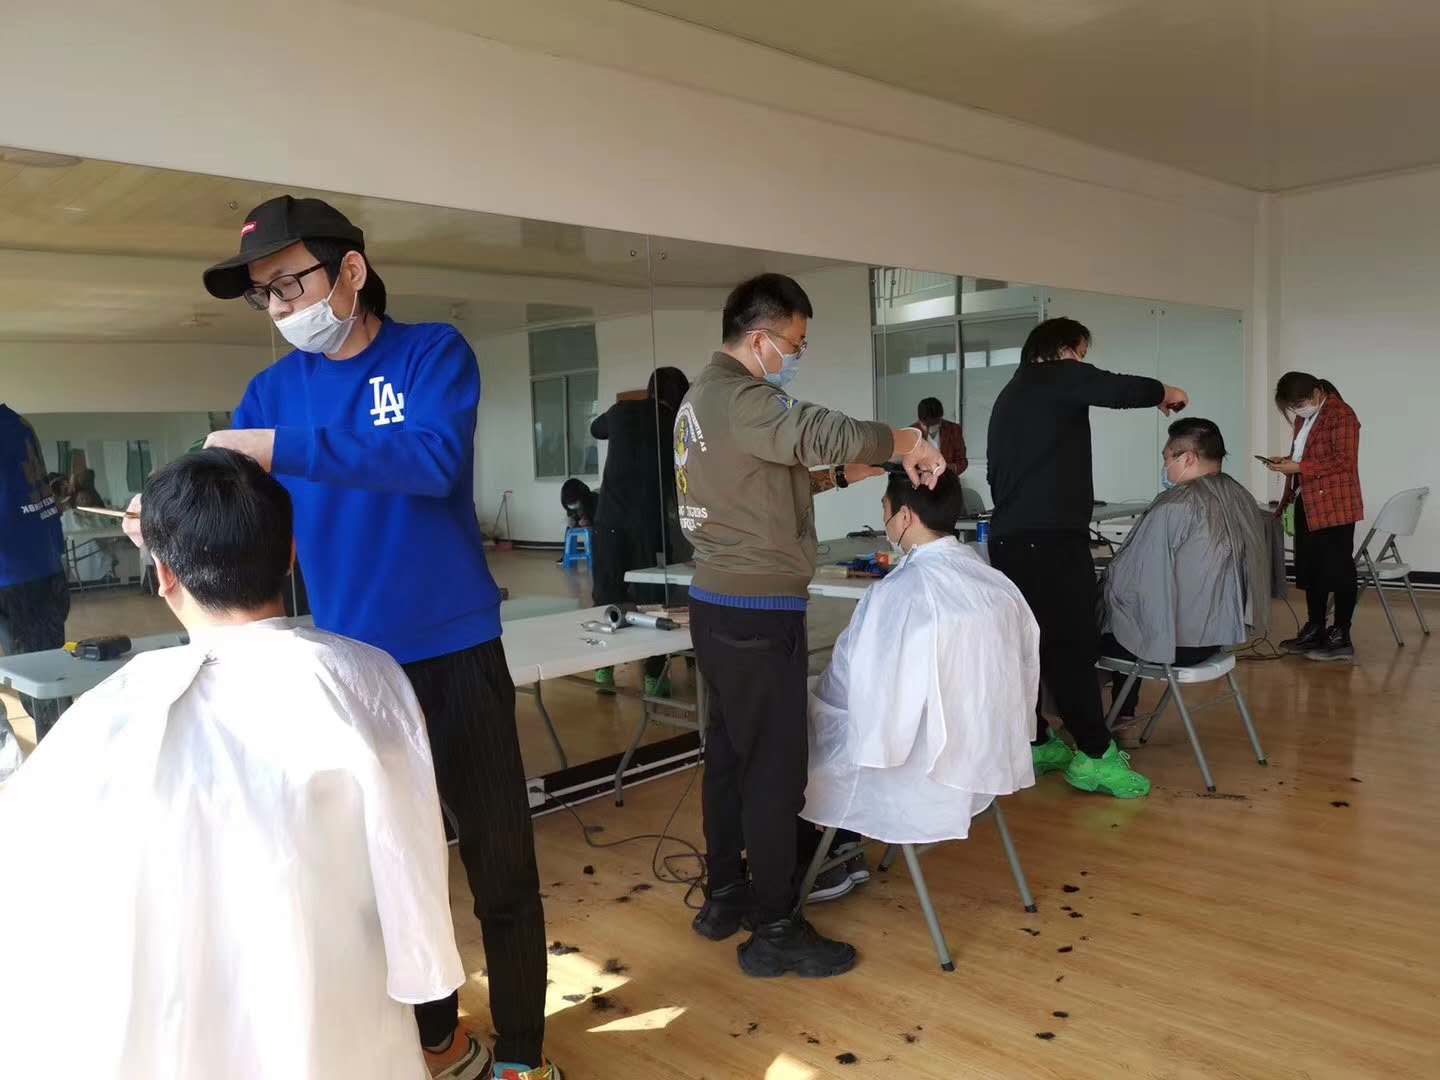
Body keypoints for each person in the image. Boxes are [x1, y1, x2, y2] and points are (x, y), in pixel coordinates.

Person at [126, 197, 557, 1080]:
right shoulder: (270, 394)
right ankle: (437, 1041)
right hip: (348, 669)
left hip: (455, 650)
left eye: (290, 284)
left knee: (502, 867)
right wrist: (165, 519)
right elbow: (242, 516)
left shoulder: (432, 353)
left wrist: (283, 448)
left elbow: (433, 461)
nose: (280, 308)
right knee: (390, 873)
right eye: (265, 295)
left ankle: (521, 1055)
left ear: (350, 271)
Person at [0, 449, 465, 1078]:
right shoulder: (364, 679)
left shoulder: (109, 712)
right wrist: (423, 969)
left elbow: (30, 873)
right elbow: (410, 848)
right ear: (291, 553)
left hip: (173, 1024)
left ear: (163, 575)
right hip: (338, 1006)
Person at [675, 272, 946, 978]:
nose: (796, 355)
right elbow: (819, 429)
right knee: (774, 772)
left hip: (717, 602)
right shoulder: (746, 398)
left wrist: (843, 477)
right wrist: (906, 441)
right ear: (760, 337)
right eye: (794, 344)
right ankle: (775, 930)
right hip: (759, 611)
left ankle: (725, 897)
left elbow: (762, 481)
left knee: (729, 756)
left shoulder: (701, 401)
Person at [800, 470, 1037, 897]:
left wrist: (813, 694)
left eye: (885, 510)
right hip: (980, 760)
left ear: (905, 516)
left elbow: (856, 693)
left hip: (917, 776)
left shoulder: (898, 594)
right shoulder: (993, 582)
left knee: (795, 717)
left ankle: (821, 855)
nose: (884, 520)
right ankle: (845, 844)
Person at [985, 316, 1189, 799]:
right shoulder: (1053, 376)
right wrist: (1165, 392)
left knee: (1032, 646)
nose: (1081, 363)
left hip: (1014, 539)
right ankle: (1095, 755)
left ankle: (1036, 740)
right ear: (1062, 350)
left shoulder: (1014, 393)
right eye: (1080, 353)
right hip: (1050, 542)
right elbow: (1114, 388)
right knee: (1073, 646)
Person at [1100, 419, 1272, 720]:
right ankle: (1122, 710)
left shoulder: (1175, 505)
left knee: (1074, 632)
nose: (1165, 467)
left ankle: (1089, 732)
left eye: (1167, 458)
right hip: (1219, 638)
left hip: (1177, 646)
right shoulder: (1240, 496)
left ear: (1188, 458)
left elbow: (1132, 582)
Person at [589, 366, 689, 695]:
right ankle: (654, 678)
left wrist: (628, 408)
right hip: (649, 526)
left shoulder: (621, 411)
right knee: (651, 601)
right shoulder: (677, 424)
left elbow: (595, 429)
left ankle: (603, 670)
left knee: (607, 592)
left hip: (609, 520)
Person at [1265, 372, 1363, 662]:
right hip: (1306, 501)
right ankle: (1315, 628)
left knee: (1340, 571)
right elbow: (1309, 456)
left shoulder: (1341, 414)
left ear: (1318, 392)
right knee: (1311, 569)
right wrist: (1287, 462)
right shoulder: (1304, 418)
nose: (1298, 409)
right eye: (1293, 406)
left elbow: (1343, 460)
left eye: (1301, 403)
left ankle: (1341, 634)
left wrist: (1298, 468)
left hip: (1335, 504)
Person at [0, 403, 68, 746]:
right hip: (34, 569)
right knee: (44, 684)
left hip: (23, 574)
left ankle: (62, 761)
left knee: (43, 688)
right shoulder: (18, 423)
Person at [914, 396, 968, 476]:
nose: (930, 428)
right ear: (920, 420)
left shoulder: (954, 429)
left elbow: (962, 462)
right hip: (920, 481)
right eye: (926, 425)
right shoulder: (911, 433)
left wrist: (945, 468)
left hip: (948, 479)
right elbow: (904, 464)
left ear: (940, 418)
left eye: (935, 423)